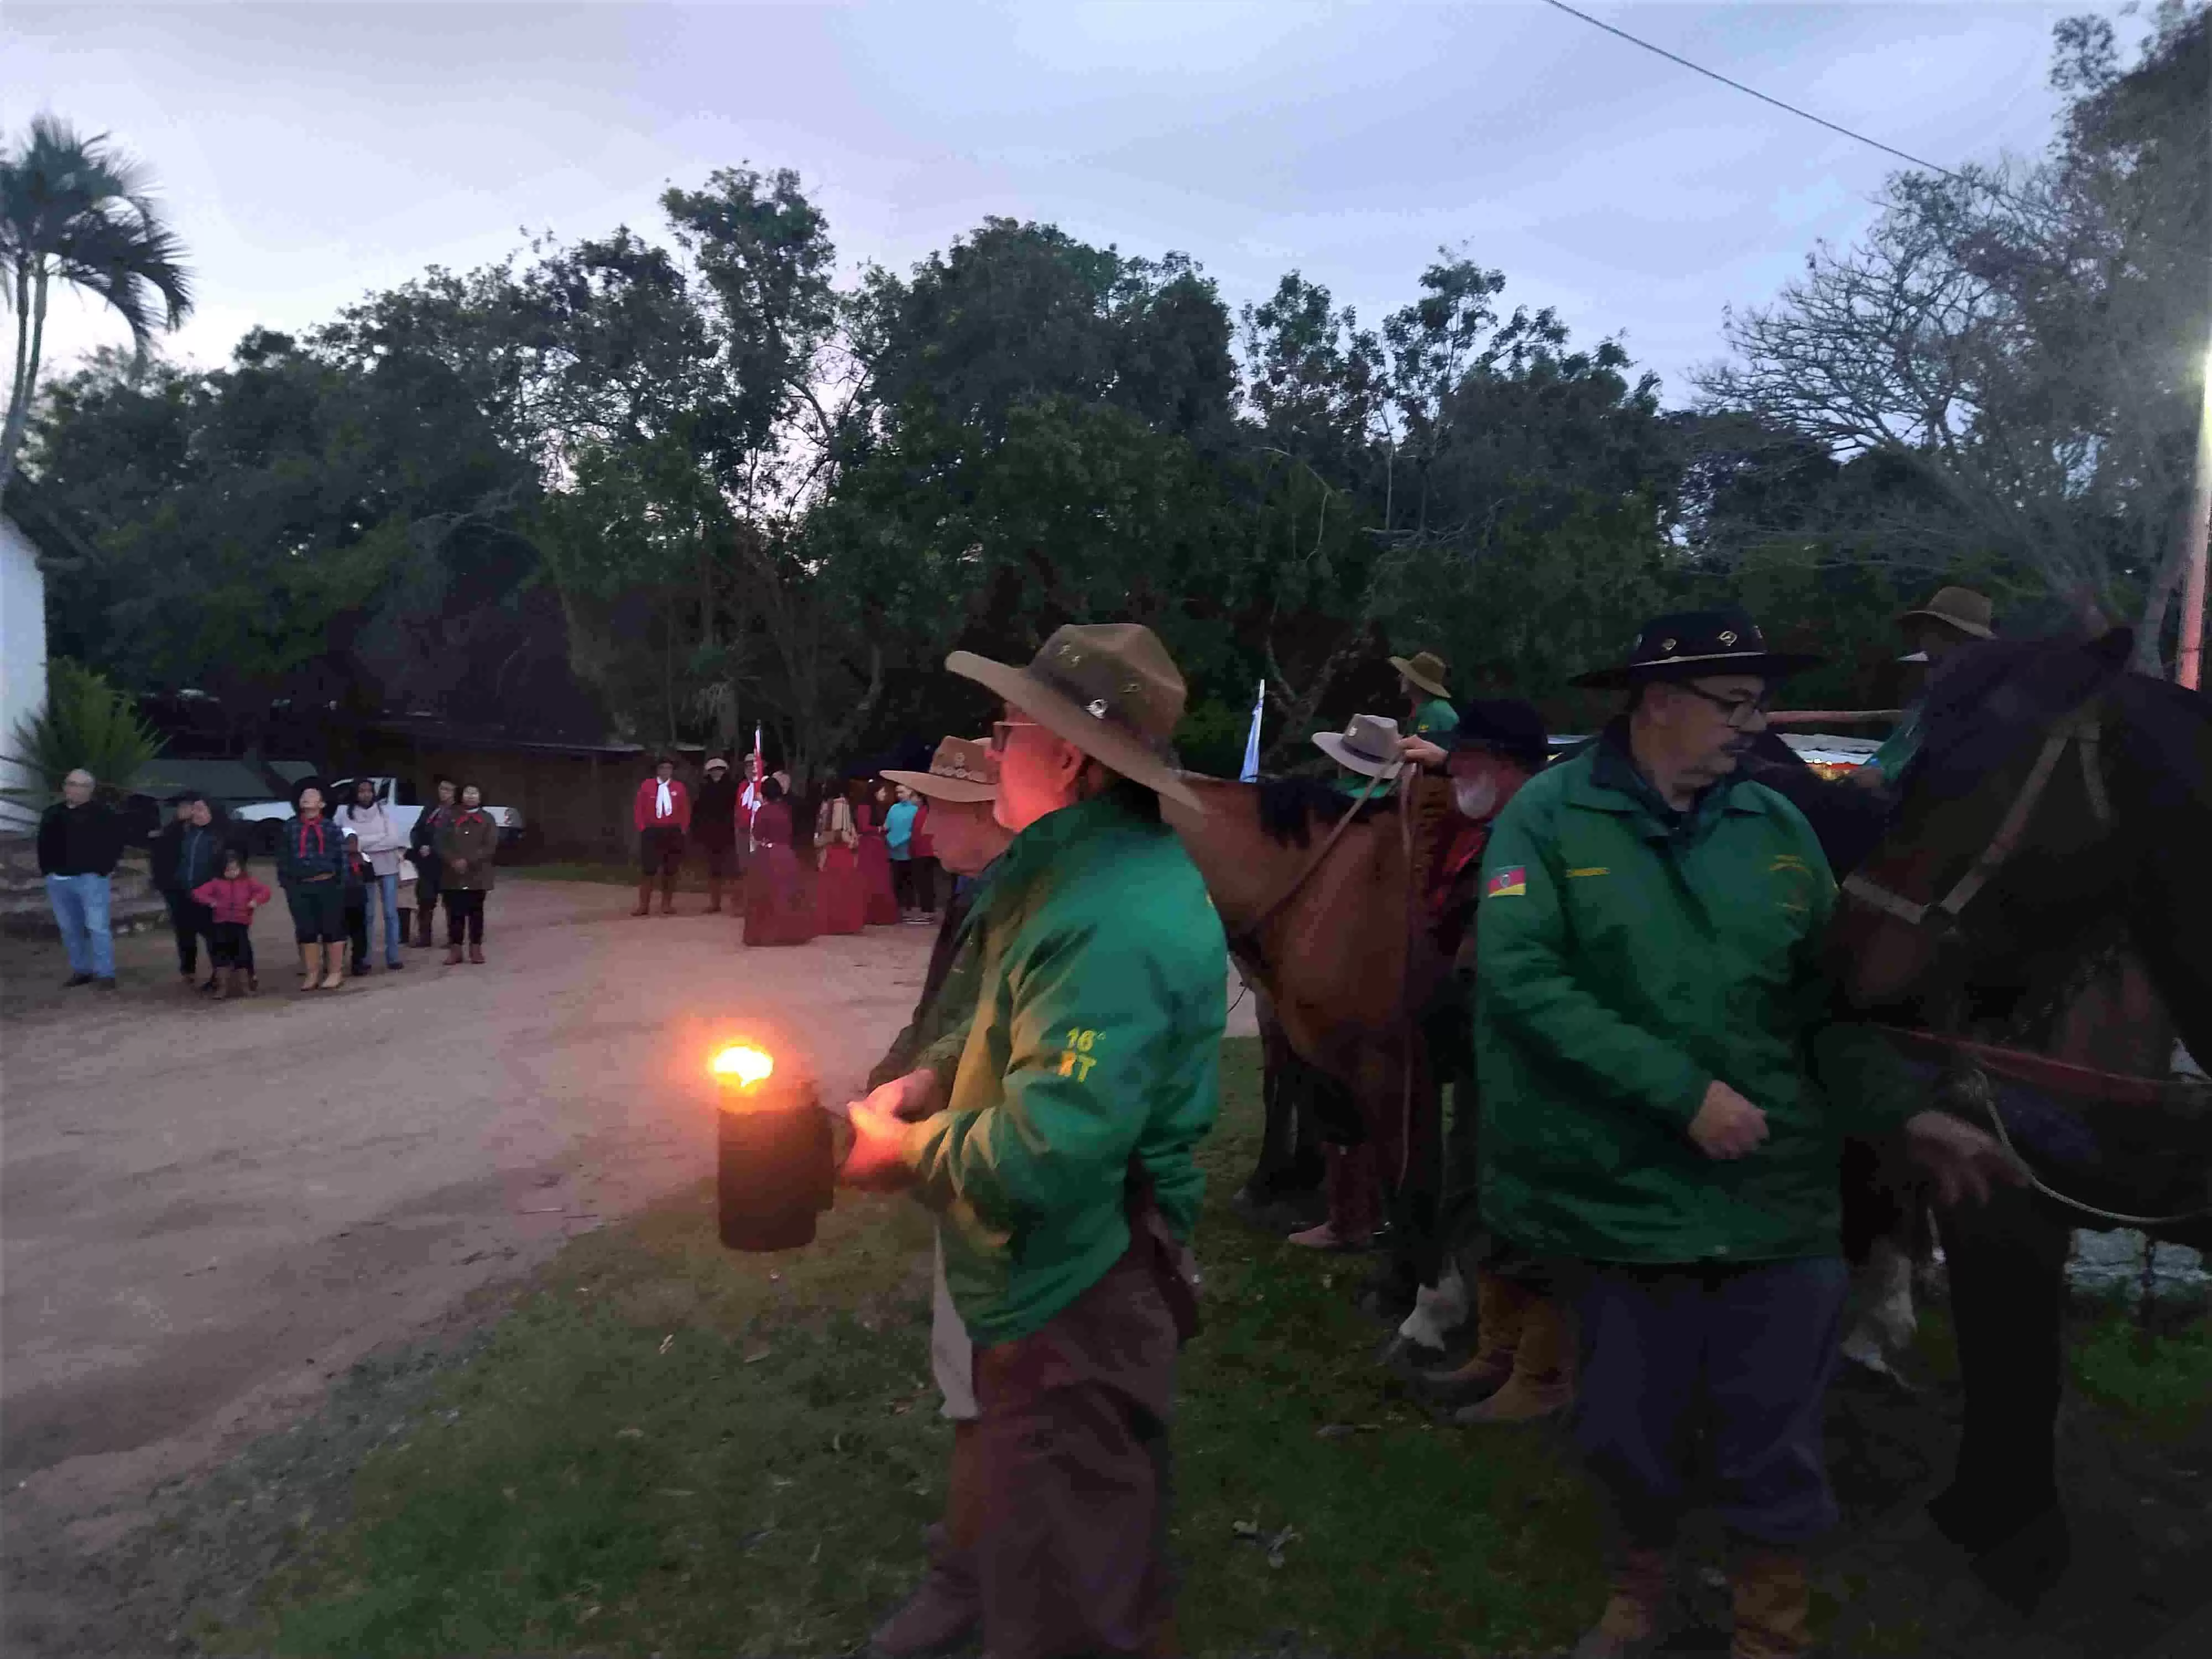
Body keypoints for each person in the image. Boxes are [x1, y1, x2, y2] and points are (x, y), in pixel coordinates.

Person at [1474, 608, 2021, 1659]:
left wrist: (1908, 1118)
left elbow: (1826, 1010)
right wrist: (1682, 1094)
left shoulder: (1776, 827)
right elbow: (1524, 980)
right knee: (1629, 1431)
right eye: (1735, 705)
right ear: (1658, 702)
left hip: (1777, 1200)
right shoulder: (1548, 818)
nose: (1752, 725)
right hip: (1623, 1198)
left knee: (1774, 1436)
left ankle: (1769, 1632)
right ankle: (1637, 1600)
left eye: (1760, 704)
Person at [842, 622, 1226, 1659]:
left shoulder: (1112, 912)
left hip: (1074, 1294)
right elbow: (1023, 1023)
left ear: (1068, 758)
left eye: (1009, 728)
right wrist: (936, 1073)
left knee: (1062, 1606)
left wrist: (903, 1152)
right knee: (1073, 1561)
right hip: (1071, 1286)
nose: (994, 745)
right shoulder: (1082, 879)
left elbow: (1049, 1150)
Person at [858, 735, 1015, 1659]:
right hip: (963, 1143)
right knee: (972, 1366)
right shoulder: (979, 892)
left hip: (994, 1160)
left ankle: (975, 1569)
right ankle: (980, 1534)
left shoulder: (1022, 904)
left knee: (985, 1376)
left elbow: (976, 1028)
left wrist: (913, 1102)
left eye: (943, 806)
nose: (923, 821)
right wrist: (901, 1074)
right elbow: (944, 1018)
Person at [1282, 714, 1408, 1251]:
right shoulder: (1400, 810)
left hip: (1333, 967)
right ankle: (1376, 1211)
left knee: (1335, 1093)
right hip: (1382, 965)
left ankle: (1345, 1216)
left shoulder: (1333, 814)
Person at [1858, 584, 1996, 788]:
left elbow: (1937, 775)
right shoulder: (1934, 700)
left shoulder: (1971, 703)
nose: (1922, 639)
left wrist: (1881, 778)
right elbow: (1888, 757)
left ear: (1955, 639)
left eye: (1929, 631)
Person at [37, 768, 126, 990]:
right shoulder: (52, 813)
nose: (72, 789)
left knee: (97, 926)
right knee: (69, 928)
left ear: (90, 790)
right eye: (70, 783)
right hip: (58, 879)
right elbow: (43, 843)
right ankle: (82, 970)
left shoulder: (103, 814)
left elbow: (115, 843)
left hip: (91, 879)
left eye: (79, 785)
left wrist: (104, 869)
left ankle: (105, 973)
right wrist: (47, 871)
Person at [149, 791, 228, 993]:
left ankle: (224, 977)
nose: (190, 812)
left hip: (208, 891)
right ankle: (190, 970)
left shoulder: (215, 834)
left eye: (195, 808)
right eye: (186, 808)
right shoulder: (175, 832)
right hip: (180, 889)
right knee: (185, 931)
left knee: (216, 935)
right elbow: (162, 860)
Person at [276, 780, 351, 991]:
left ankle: (335, 972)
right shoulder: (290, 826)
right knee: (306, 930)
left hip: (328, 884)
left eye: (312, 795)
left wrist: (341, 884)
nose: (306, 798)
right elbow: (282, 857)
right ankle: (312, 973)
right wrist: (287, 884)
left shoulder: (331, 827)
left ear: (322, 803)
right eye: (303, 796)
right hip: (300, 886)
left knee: (332, 928)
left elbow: (342, 858)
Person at [337, 776, 408, 972]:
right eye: (362, 791)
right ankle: (365, 959)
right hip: (362, 869)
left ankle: (393, 957)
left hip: (388, 867)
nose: (366, 794)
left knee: (390, 913)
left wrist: (362, 842)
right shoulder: (345, 814)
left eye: (369, 790)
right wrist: (378, 839)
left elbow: (394, 839)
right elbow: (347, 843)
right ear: (355, 793)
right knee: (366, 915)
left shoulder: (384, 812)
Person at [742, 777, 820, 947]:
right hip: (786, 854)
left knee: (766, 896)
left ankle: (767, 932)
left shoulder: (764, 811)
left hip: (768, 855)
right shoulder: (785, 810)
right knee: (787, 895)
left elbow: (757, 835)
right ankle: (790, 932)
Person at [191, 848, 270, 999]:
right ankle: (222, 988)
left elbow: (265, 891)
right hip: (221, 924)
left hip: (241, 924)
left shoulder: (249, 882)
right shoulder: (216, 883)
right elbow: (197, 893)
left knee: (243, 954)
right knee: (221, 954)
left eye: (235, 869)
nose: (232, 872)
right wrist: (212, 902)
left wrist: (255, 901)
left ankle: (245, 987)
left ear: (241, 868)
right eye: (228, 870)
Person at [436, 782, 498, 964]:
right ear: (461, 795)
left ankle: (476, 950)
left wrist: (468, 861)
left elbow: (490, 845)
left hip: (478, 873)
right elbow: (440, 842)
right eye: (467, 792)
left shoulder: (488, 819)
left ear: (480, 797)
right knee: (454, 913)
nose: (471, 796)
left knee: (476, 912)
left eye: (475, 793)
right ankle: (455, 950)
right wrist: (452, 860)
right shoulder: (449, 816)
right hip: (452, 873)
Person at [633, 757, 691, 917]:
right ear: (657, 770)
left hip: (672, 832)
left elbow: (685, 809)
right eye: (663, 768)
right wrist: (643, 828)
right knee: (648, 870)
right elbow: (639, 808)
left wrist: (683, 829)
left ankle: (667, 904)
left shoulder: (679, 788)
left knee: (670, 870)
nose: (666, 771)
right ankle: (644, 905)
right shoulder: (647, 786)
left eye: (669, 768)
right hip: (652, 832)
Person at [407, 777, 459, 947]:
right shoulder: (431, 809)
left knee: (451, 902)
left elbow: (457, 838)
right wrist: (420, 845)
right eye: (442, 789)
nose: (443, 793)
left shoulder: (459, 812)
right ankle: (424, 937)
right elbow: (417, 830)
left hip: (448, 864)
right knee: (425, 899)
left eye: (448, 790)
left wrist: (435, 849)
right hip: (427, 864)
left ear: (455, 792)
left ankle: (454, 939)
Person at [695, 755, 743, 914]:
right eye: (713, 770)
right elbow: (699, 812)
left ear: (725, 771)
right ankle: (715, 903)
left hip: (729, 833)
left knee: (733, 870)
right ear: (708, 772)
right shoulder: (705, 788)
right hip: (710, 834)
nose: (716, 773)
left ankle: (737, 904)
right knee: (714, 870)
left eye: (719, 770)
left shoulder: (733, 788)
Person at [815, 788, 866, 935]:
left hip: (834, 856)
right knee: (842, 891)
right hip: (841, 856)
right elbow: (850, 840)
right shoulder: (840, 819)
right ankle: (844, 924)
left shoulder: (828, 818)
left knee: (833, 891)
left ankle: (834, 923)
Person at [854, 781, 902, 925]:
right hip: (870, 846)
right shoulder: (865, 807)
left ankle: (878, 914)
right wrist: (881, 829)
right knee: (872, 878)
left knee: (880, 878)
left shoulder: (878, 808)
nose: (885, 794)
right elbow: (863, 827)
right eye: (882, 791)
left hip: (877, 846)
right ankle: (871, 914)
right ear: (875, 792)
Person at [1390, 648, 1460, 740]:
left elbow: (1421, 749)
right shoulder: (1424, 708)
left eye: (1405, 673)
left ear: (1416, 681)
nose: (1400, 676)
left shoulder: (1435, 712)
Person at [885, 782, 924, 922]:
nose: (900, 795)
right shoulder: (894, 808)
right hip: (893, 850)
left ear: (911, 792)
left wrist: (900, 840)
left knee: (909, 881)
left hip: (908, 850)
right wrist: (890, 840)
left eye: (902, 792)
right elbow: (887, 826)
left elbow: (915, 829)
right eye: (898, 793)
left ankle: (908, 909)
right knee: (895, 880)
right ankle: (896, 909)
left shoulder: (915, 809)